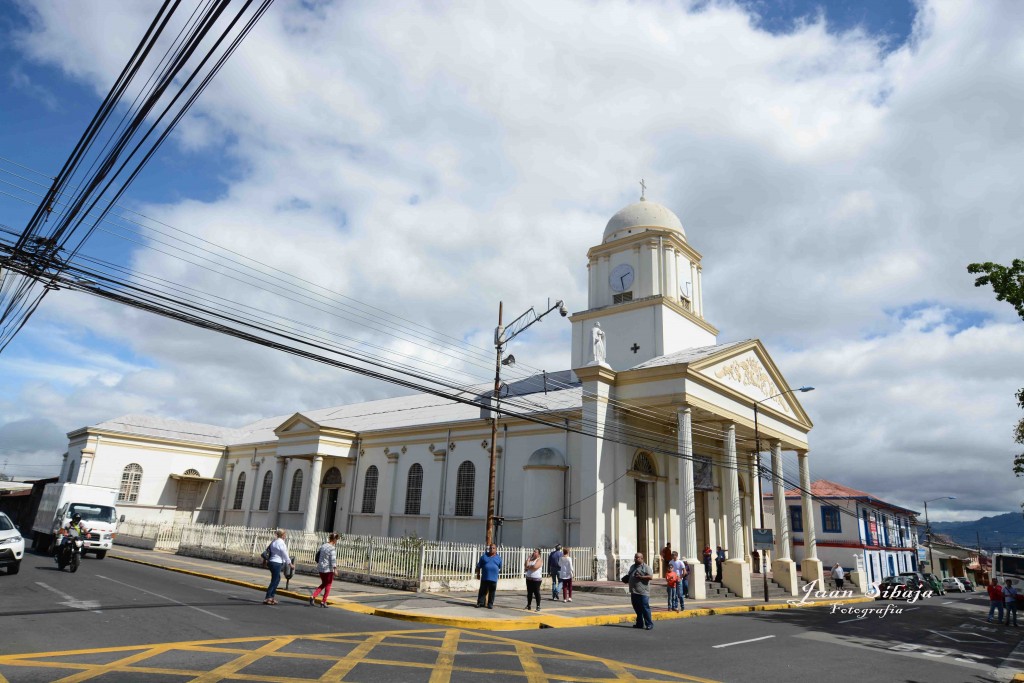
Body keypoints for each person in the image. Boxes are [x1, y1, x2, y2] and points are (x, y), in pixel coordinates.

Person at [263, 529, 294, 605]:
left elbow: (267, 551)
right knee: (274, 580)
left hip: (271, 562)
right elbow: (285, 554)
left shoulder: (274, 541)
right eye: (285, 534)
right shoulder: (281, 542)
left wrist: (264, 561)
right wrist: (290, 564)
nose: (285, 536)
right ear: (282, 535)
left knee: (277, 579)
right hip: (276, 563)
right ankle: (268, 597)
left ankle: (271, 597)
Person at [310, 532, 339, 608]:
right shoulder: (332, 548)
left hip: (320, 568)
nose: (337, 541)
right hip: (328, 569)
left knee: (324, 583)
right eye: (337, 540)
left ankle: (313, 596)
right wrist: (335, 569)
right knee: (328, 584)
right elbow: (333, 560)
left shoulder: (323, 546)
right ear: (334, 540)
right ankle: (323, 601)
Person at [626, 552, 654, 630]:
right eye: (635, 557)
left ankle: (649, 624)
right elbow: (630, 575)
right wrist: (627, 578)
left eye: (637, 557)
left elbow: (651, 577)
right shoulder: (632, 567)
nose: (635, 559)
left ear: (642, 558)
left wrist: (641, 577)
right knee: (637, 608)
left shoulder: (646, 567)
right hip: (634, 591)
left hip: (643, 592)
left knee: (645, 608)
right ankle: (639, 623)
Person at [475, 544, 502, 609]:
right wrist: (478, 574)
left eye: (493, 548)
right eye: (490, 548)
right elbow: (478, 566)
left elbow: (500, 567)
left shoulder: (498, 558)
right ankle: (480, 603)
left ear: (496, 549)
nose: (491, 549)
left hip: (493, 579)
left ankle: (490, 604)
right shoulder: (484, 557)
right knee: (482, 591)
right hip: (485, 577)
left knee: (492, 592)